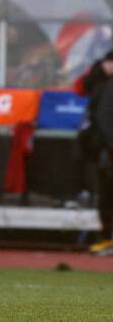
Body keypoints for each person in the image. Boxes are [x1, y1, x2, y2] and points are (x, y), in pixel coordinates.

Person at [76, 50, 113, 255]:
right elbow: (81, 88)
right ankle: (107, 238)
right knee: (106, 194)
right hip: (103, 148)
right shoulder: (101, 78)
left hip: (105, 145)